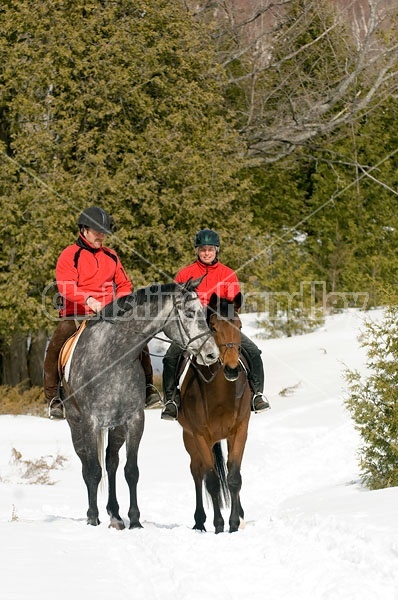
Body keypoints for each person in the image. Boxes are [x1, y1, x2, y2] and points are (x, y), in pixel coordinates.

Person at [43, 205, 161, 419]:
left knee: (138, 336)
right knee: (57, 342)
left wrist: (119, 303)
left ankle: (149, 389)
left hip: (109, 314)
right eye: (97, 231)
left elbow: (124, 284)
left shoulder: (111, 256)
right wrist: (88, 300)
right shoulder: (70, 255)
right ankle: (53, 398)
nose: (102, 236)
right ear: (84, 230)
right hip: (77, 314)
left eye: (104, 232)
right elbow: (66, 286)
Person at [161, 228, 271, 421]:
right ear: (197, 250)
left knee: (253, 352)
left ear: (216, 250)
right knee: (171, 357)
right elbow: (177, 303)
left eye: (210, 249)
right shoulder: (185, 274)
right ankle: (171, 400)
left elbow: (232, 305)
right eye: (202, 249)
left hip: (221, 327)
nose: (206, 253)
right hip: (193, 329)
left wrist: (217, 317)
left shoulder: (228, 274)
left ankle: (257, 395)